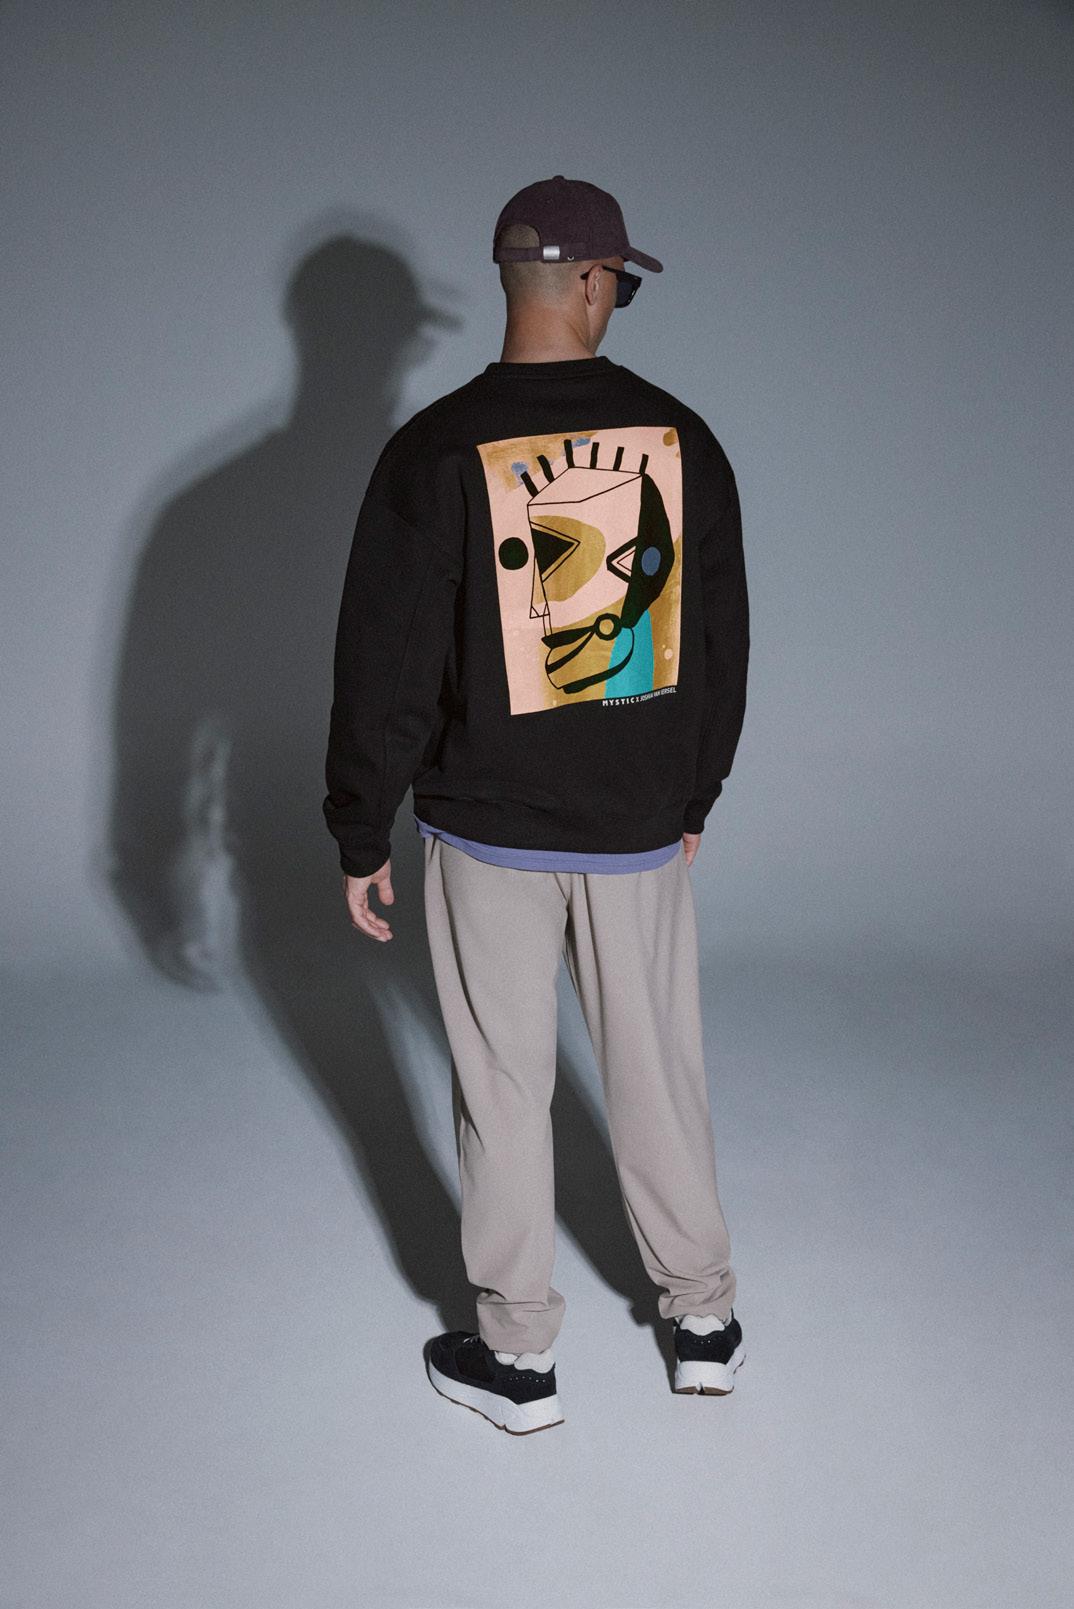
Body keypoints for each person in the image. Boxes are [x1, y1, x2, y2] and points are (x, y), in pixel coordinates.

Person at [322, 175, 750, 1435]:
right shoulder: (681, 441)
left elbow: (386, 663)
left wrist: (360, 825)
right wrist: (695, 791)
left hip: (486, 832)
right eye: (620, 281)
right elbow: (721, 644)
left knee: (502, 1091)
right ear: (594, 282)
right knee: (659, 1073)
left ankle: (517, 1359)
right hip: (637, 827)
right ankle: (705, 1325)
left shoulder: (434, 450)